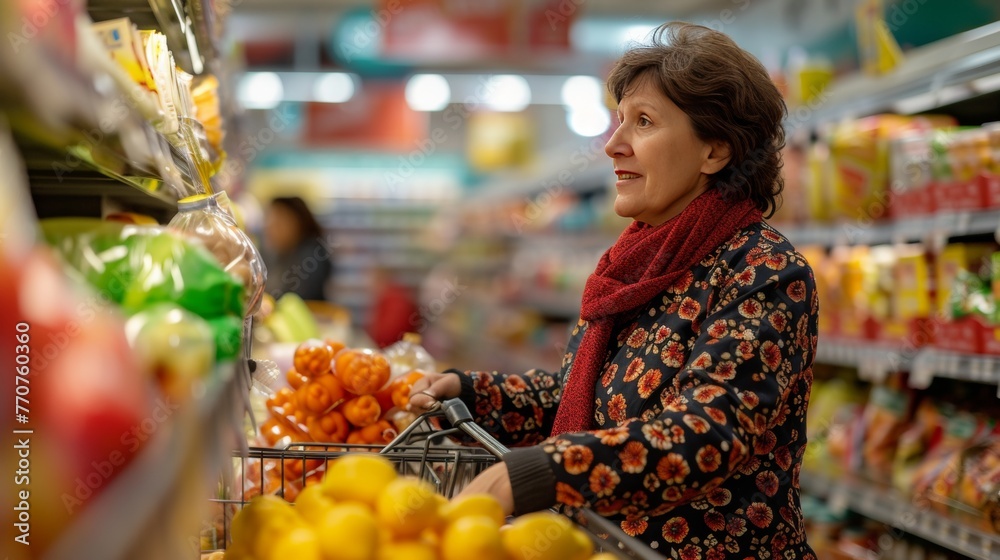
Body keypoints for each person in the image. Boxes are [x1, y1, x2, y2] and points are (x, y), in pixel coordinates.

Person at [409, 22, 819, 557]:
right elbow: (589, 399)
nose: (613, 145)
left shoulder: (764, 270)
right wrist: (473, 393)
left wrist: (547, 470)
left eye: (643, 122)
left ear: (715, 151)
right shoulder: (634, 265)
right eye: (619, 120)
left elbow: (708, 434)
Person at [261, 196, 332, 301]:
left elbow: (292, 298)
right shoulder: (281, 254)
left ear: (297, 223)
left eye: (277, 223)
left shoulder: (310, 256)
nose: (270, 230)